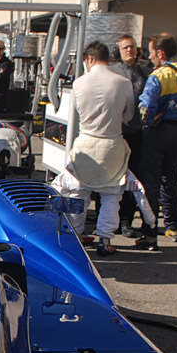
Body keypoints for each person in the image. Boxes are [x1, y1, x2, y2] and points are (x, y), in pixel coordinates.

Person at [53, 41, 135, 256]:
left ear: (89, 59)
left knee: (79, 193)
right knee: (110, 196)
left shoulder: (80, 83)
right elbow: (129, 116)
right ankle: (105, 239)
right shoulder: (124, 82)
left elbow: (77, 114)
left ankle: (77, 235)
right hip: (113, 145)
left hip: (86, 142)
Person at [135, 32, 177, 250]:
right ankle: (174, 227)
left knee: (151, 184)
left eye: (152, 53)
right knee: (170, 179)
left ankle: (150, 233)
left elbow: (145, 106)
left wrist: (149, 122)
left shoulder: (159, 76)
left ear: (160, 53)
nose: (150, 57)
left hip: (158, 133)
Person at [112, 35, 153, 238]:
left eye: (133, 47)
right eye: (125, 47)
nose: (130, 50)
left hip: (137, 134)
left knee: (133, 179)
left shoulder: (145, 73)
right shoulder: (113, 73)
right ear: (118, 51)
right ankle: (111, 221)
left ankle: (127, 220)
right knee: (111, 179)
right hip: (116, 133)